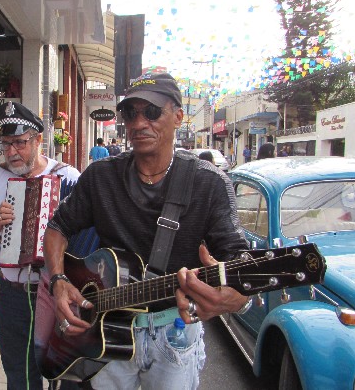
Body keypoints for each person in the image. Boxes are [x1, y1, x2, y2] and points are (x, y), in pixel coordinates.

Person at [42, 73, 250, 390]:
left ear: (178, 116)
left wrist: (237, 298)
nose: (139, 123)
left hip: (173, 333)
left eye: (152, 112)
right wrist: (58, 280)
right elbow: (58, 227)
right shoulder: (101, 177)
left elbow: (238, 257)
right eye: (130, 113)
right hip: (106, 329)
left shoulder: (209, 183)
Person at [0, 101, 81, 390]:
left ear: (39, 140)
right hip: (13, 292)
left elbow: (88, 235)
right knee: (19, 372)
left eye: (19, 142)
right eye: (5, 144)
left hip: (58, 290)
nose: (11, 152)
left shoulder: (68, 177)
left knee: (65, 368)